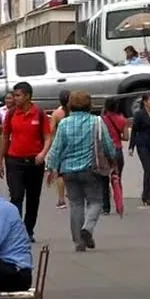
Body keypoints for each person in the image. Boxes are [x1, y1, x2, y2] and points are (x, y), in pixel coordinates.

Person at [46, 92, 117, 251]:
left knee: (76, 204)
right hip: (91, 169)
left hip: (68, 170)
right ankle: (87, 228)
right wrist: (113, 159)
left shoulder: (64, 124)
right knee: (96, 201)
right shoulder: (96, 121)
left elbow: (57, 148)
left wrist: (51, 168)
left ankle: (79, 241)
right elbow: (107, 144)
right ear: (89, 105)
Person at [0, 82, 52, 242]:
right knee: (16, 195)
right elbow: (5, 137)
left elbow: (48, 137)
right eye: (14, 95)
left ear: (27, 96)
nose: (14, 98)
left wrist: (43, 153)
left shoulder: (39, 114)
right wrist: (0, 160)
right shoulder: (11, 114)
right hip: (14, 160)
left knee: (33, 198)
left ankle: (29, 230)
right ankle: (16, 230)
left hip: (34, 161)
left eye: (18, 95)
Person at [101, 97, 128, 214]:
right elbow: (126, 137)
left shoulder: (101, 120)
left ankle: (105, 207)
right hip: (117, 150)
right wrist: (118, 136)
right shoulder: (122, 120)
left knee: (103, 180)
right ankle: (119, 204)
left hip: (104, 152)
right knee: (117, 178)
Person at [50, 90, 70, 209]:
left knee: (60, 174)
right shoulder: (75, 113)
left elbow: (51, 130)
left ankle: (61, 199)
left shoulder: (57, 114)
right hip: (73, 144)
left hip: (61, 145)